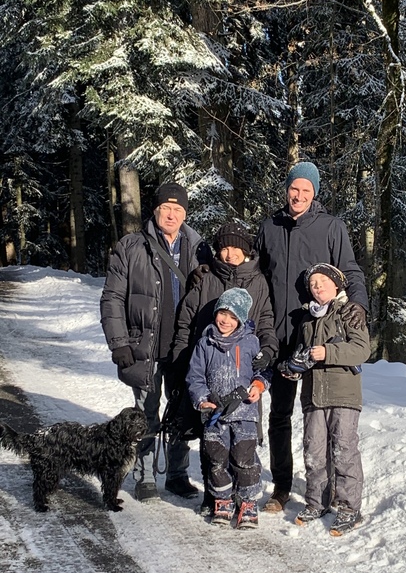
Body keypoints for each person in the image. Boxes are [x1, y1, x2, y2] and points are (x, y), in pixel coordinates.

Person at [254, 161, 369, 513]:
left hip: (319, 337)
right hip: (278, 335)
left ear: (314, 193)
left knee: (323, 415)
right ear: (286, 189)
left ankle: (332, 491)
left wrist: (358, 306)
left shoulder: (331, 227)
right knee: (280, 414)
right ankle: (282, 486)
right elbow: (254, 275)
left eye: (306, 190)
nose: (299, 195)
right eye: (294, 188)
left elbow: (350, 271)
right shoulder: (268, 227)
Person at [100, 182, 211, 502]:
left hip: (184, 346)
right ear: (155, 210)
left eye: (178, 209)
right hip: (143, 346)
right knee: (146, 412)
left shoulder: (198, 246)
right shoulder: (131, 246)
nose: (172, 214)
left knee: (181, 411)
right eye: (167, 208)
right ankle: (145, 474)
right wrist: (118, 342)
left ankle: (177, 474)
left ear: (185, 213)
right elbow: (112, 298)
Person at [170, 221, 278, 514]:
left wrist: (268, 350)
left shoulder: (258, 281)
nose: (230, 254)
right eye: (225, 248)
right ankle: (215, 496)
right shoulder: (205, 278)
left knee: (242, 444)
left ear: (246, 251)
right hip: (209, 370)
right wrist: (182, 361)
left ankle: (245, 500)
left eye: (236, 249)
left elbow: (266, 320)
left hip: (243, 375)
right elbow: (186, 320)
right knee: (212, 440)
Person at [278, 263, 370, 536]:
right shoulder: (306, 320)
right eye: (313, 284)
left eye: (323, 282)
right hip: (313, 396)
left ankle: (348, 507)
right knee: (314, 450)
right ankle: (317, 501)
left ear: (337, 286)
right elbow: (301, 355)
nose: (318, 287)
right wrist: (292, 367)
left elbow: (361, 349)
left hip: (344, 393)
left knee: (343, 450)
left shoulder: (348, 312)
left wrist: (326, 352)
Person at [186, 288, 269, 528]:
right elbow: (195, 377)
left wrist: (259, 384)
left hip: (244, 413)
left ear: (241, 319)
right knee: (216, 457)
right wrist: (202, 400)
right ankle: (222, 500)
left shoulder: (251, 342)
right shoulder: (204, 343)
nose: (226, 321)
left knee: (244, 458)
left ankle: (247, 502)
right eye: (223, 313)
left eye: (233, 317)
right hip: (214, 414)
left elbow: (263, 372)